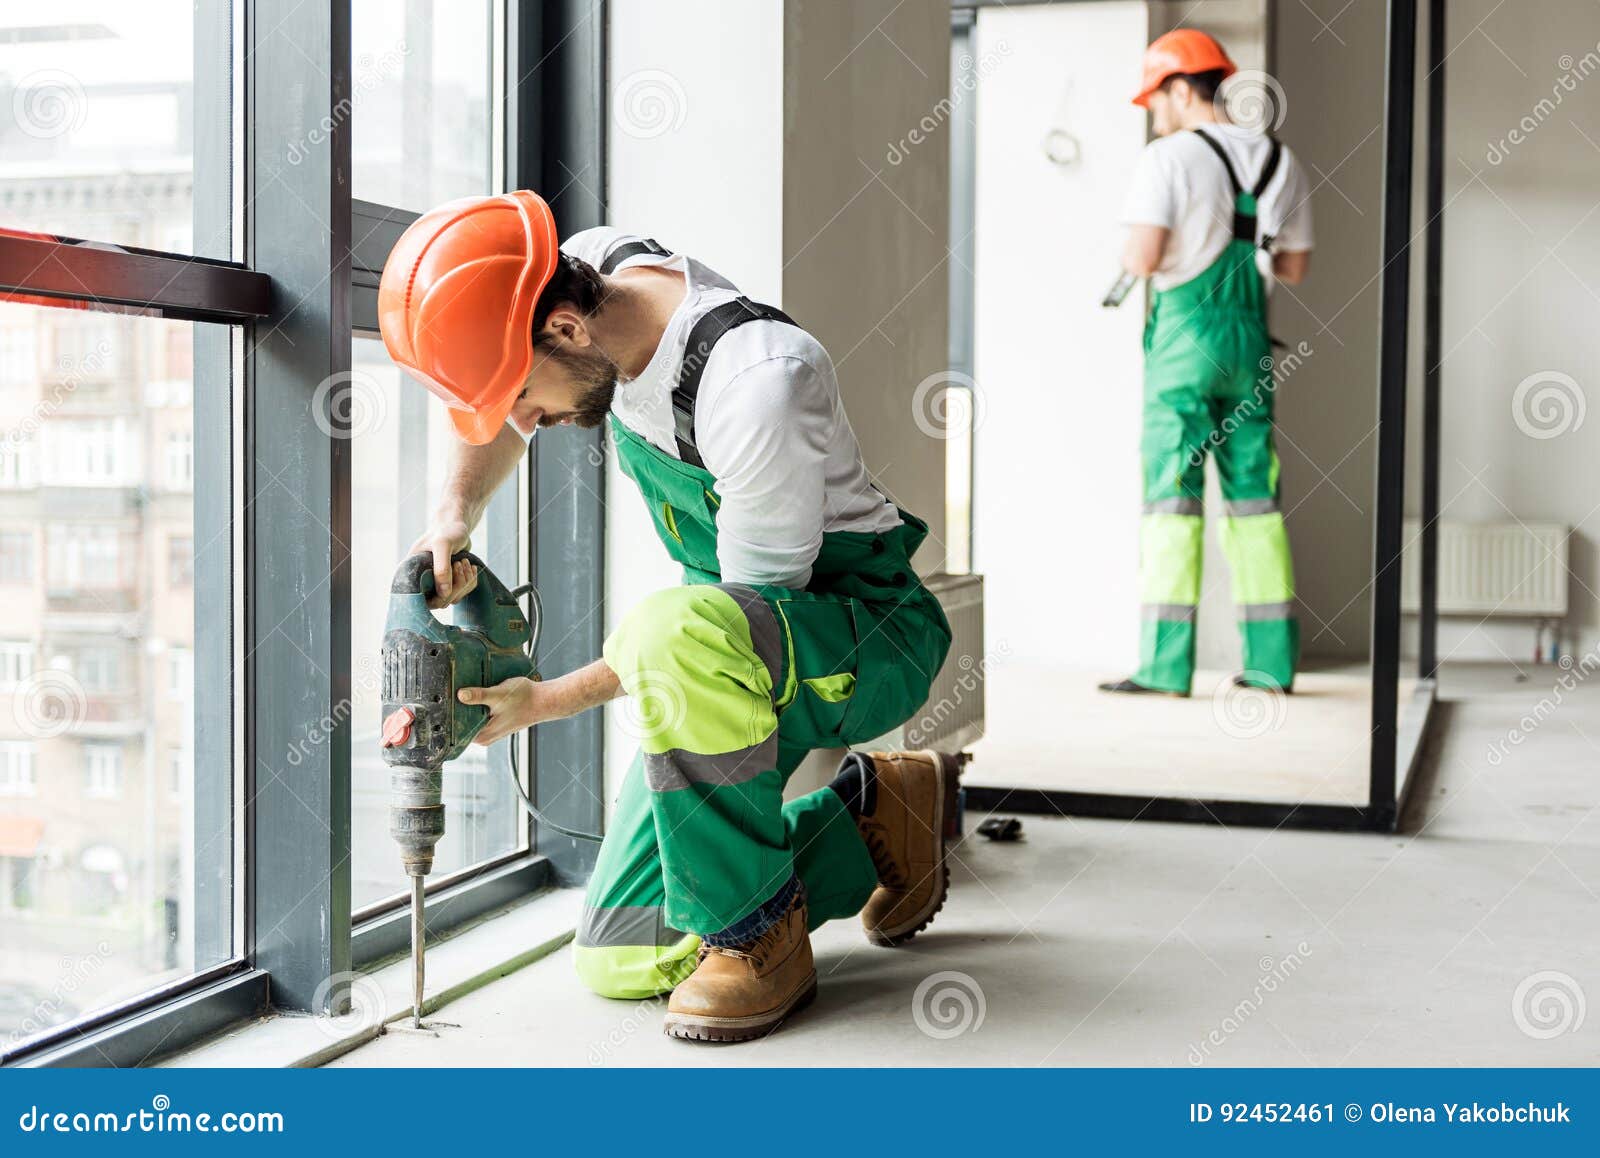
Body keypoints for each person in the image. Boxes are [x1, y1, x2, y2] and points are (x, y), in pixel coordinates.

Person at [376, 192, 956, 1042]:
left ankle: (757, 939)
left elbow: (738, 617)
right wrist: (453, 515)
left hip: (858, 633)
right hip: (717, 648)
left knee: (671, 632)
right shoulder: (583, 272)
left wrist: (545, 701)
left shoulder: (760, 384)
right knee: (622, 953)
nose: (529, 422)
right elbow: (504, 408)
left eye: (527, 395)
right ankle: (879, 814)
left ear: (569, 330)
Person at [1099, 29, 1313, 698]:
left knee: (1171, 502)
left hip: (1184, 349)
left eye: (1155, 98)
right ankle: (1272, 667)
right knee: (1256, 503)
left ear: (1181, 88)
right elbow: (1296, 268)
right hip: (1249, 346)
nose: (1152, 112)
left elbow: (1140, 260)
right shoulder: (1281, 158)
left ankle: (1165, 669)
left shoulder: (1168, 159)